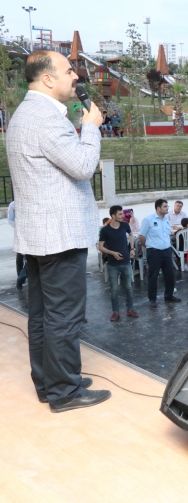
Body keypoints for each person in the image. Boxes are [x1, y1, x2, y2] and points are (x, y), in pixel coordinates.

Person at [6, 50, 110, 411]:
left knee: (43, 315)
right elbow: (82, 165)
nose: (75, 77)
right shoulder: (45, 118)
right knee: (64, 316)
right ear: (48, 78)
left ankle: (49, 383)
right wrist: (91, 127)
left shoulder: (25, 113)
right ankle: (65, 392)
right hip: (60, 237)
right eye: (68, 71)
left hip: (40, 235)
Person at [98, 205, 138, 322]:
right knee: (114, 289)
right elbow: (100, 246)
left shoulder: (125, 225)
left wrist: (132, 249)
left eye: (122, 213)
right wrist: (112, 253)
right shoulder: (105, 230)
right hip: (112, 264)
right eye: (120, 214)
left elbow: (131, 234)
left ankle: (130, 309)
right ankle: (115, 311)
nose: (123, 216)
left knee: (129, 287)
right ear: (113, 216)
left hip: (126, 261)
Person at [140, 199, 181, 307]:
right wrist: (148, 246)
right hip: (154, 251)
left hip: (166, 250)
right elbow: (141, 236)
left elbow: (167, 233)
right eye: (165, 206)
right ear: (158, 208)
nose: (167, 208)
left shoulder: (166, 219)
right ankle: (152, 299)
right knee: (153, 276)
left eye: (167, 206)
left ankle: (169, 295)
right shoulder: (148, 219)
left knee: (170, 274)